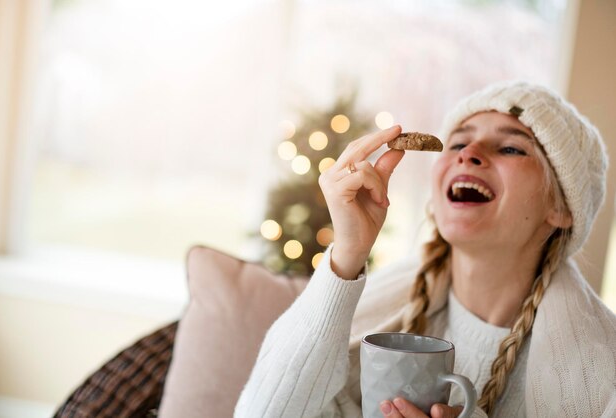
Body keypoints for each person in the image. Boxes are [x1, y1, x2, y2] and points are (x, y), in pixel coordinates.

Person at [233, 81, 616, 418]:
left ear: (563, 207)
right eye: (459, 142)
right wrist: (347, 251)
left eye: (512, 148)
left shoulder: (603, 374)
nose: (468, 153)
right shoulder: (373, 319)